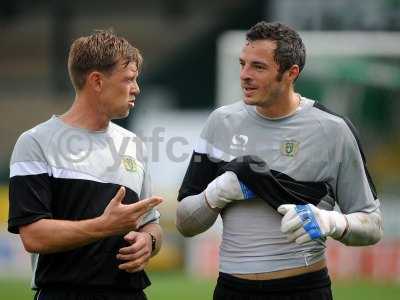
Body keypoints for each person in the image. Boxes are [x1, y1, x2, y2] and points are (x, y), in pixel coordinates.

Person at [176, 21, 382, 300]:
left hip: (303, 288)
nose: (244, 75)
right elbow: (185, 224)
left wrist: (332, 222)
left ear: (290, 73)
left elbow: (372, 226)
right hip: (232, 289)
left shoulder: (333, 130)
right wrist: (217, 193)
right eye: (242, 64)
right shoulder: (220, 122)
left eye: (258, 67)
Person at [8, 30, 163, 300]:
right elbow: (33, 236)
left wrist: (148, 241)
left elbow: (151, 225)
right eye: (128, 79)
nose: (136, 88)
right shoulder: (36, 142)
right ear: (97, 81)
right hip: (63, 292)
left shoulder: (134, 145)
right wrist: (103, 226)